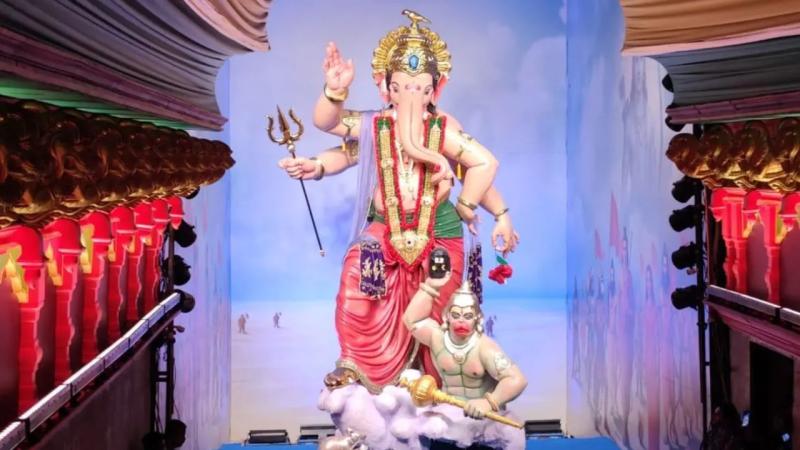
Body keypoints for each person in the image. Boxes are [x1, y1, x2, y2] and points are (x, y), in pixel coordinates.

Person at [277, 10, 519, 393]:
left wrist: (488, 211)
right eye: (401, 86)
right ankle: (354, 363)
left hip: (439, 230)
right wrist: (319, 156)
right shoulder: (375, 126)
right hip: (384, 229)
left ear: (435, 90)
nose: (411, 95)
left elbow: (478, 167)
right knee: (356, 280)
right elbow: (335, 134)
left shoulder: (443, 128)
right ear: (385, 88)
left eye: (421, 88)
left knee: (441, 305)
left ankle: (438, 377)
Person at [403, 270, 526, 419]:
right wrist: (430, 287)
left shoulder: (485, 347)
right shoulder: (437, 338)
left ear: (477, 318)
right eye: (456, 315)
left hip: (482, 419)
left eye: (467, 316)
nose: (461, 321)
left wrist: (489, 402)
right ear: (446, 316)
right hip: (448, 414)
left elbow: (517, 380)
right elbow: (412, 320)